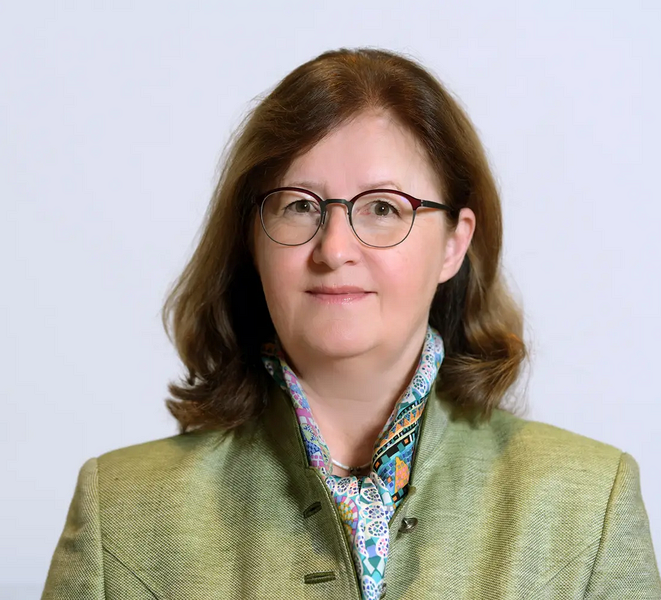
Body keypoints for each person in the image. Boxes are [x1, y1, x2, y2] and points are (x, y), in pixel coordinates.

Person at [41, 47, 660, 600]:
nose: (334, 248)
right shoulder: (120, 514)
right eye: (299, 206)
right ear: (253, 239)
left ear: (454, 244)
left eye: (384, 208)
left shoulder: (589, 507)